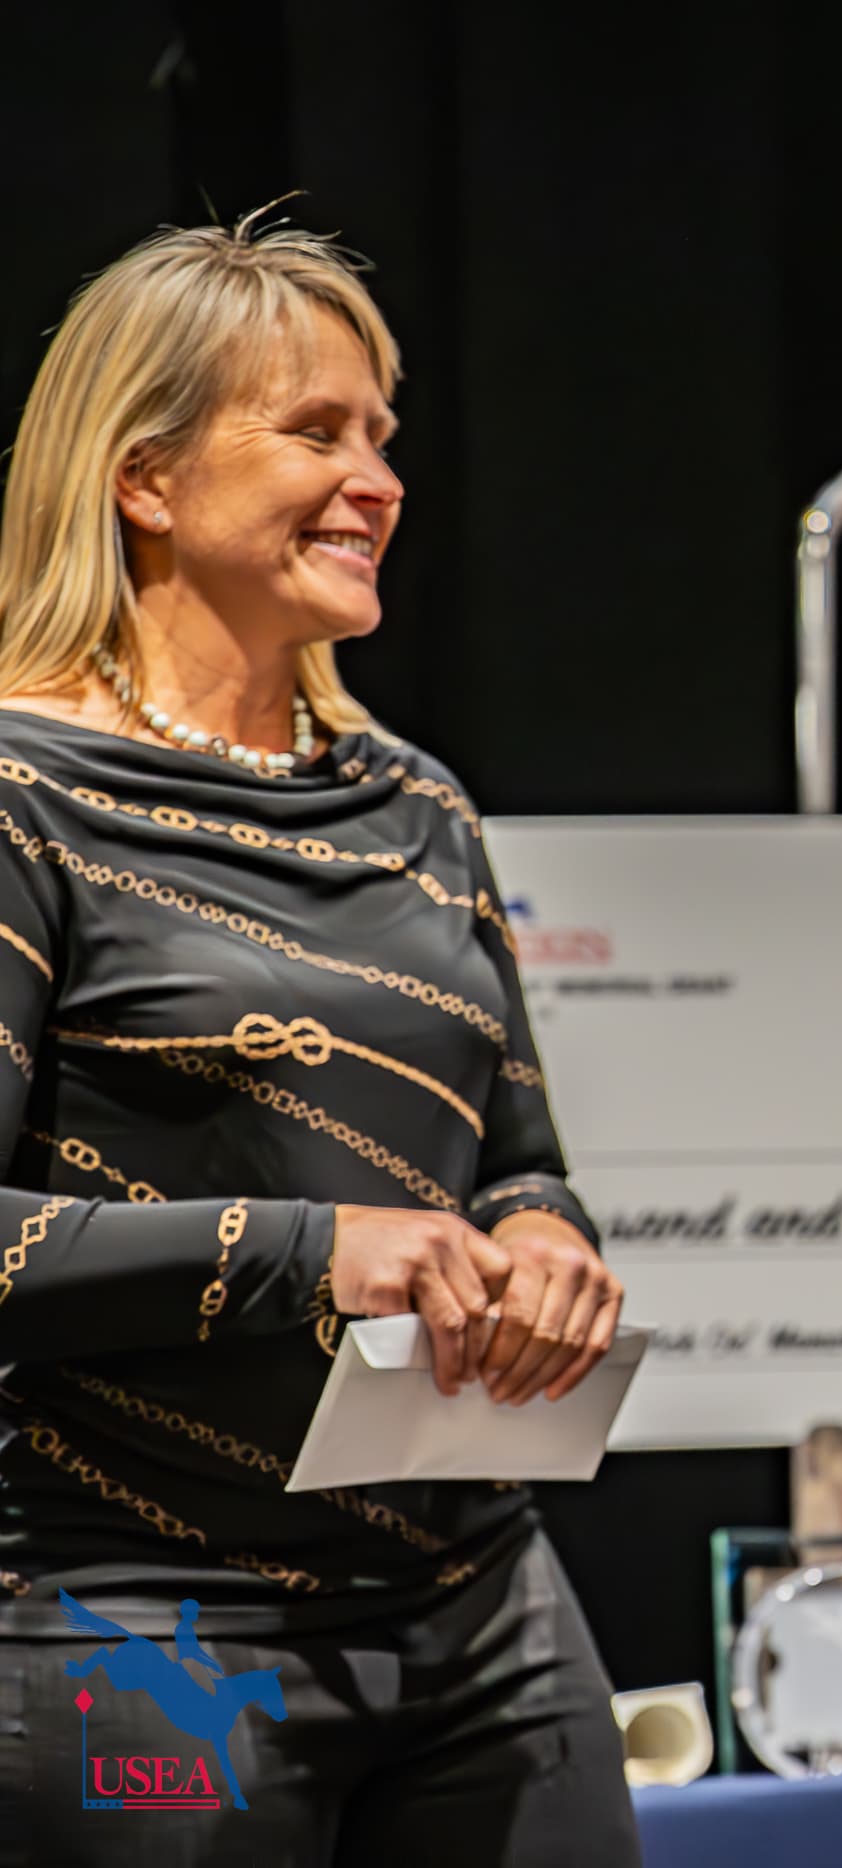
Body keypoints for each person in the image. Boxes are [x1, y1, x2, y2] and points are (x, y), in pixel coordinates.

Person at [0, 221, 633, 1866]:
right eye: (316, 433)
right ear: (145, 480)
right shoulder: (24, 799)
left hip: (482, 1601)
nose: (378, 483)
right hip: (138, 1612)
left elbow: (518, 1159)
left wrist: (545, 1243)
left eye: (383, 438)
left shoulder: (418, 805)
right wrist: (315, 1250)